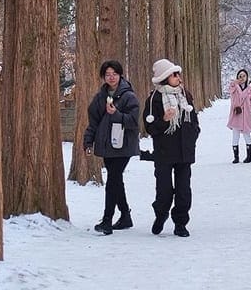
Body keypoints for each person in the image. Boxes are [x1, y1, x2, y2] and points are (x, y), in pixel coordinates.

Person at [144, 58, 200, 237]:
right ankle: (160, 216)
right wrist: (164, 120)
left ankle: (181, 223)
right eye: (174, 74)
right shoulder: (154, 99)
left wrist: (193, 134)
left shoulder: (186, 95)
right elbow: (149, 127)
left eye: (178, 74)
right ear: (165, 77)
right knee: (164, 191)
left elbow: (193, 118)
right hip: (164, 152)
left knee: (184, 191)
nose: (178, 77)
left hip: (184, 151)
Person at [83, 59, 140, 234]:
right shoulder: (100, 97)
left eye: (114, 74)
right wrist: (88, 141)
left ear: (120, 75)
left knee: (113, 179)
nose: (111, 77)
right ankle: (125, 216)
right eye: (107, 74)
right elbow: (93, 122)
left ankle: (107, 219)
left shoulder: (128, 96)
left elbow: (133, 121)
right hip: (107, 145)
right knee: (116, 180)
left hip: (124, 145)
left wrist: (116, 114)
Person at [227, 68, 251, 163]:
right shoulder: (235, 87)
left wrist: (249, 111)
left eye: (244, 76)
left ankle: (249, 156)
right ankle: (236, 157)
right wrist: (235, 83)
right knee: (235, 136)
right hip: (236, 114)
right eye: (240, 76)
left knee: (247, 135)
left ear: (247, 77)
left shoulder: (250, 89)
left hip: (246, 116)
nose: (242, 78)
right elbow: (230, 89)